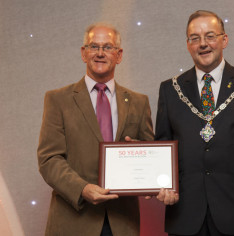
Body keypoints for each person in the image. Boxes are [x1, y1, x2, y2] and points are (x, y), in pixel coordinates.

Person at [155, 10, 234, 236]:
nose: (203, 44)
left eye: (210, 36)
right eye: (195, 38)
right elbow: (163, 147)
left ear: (224, 40)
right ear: (188, 44)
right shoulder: (170, 89)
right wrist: (161, 182)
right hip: (185, 214)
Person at [37, 23, 154, 236]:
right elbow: (49, 159)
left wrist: (144, 158)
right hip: (74, 219)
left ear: (119, 55)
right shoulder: (58, 100)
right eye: (94, 46)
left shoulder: (139, 102)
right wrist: (82, 189)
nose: (100, 53)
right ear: (84, 53)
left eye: (108, 47)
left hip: (122, 222)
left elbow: (149, 155)